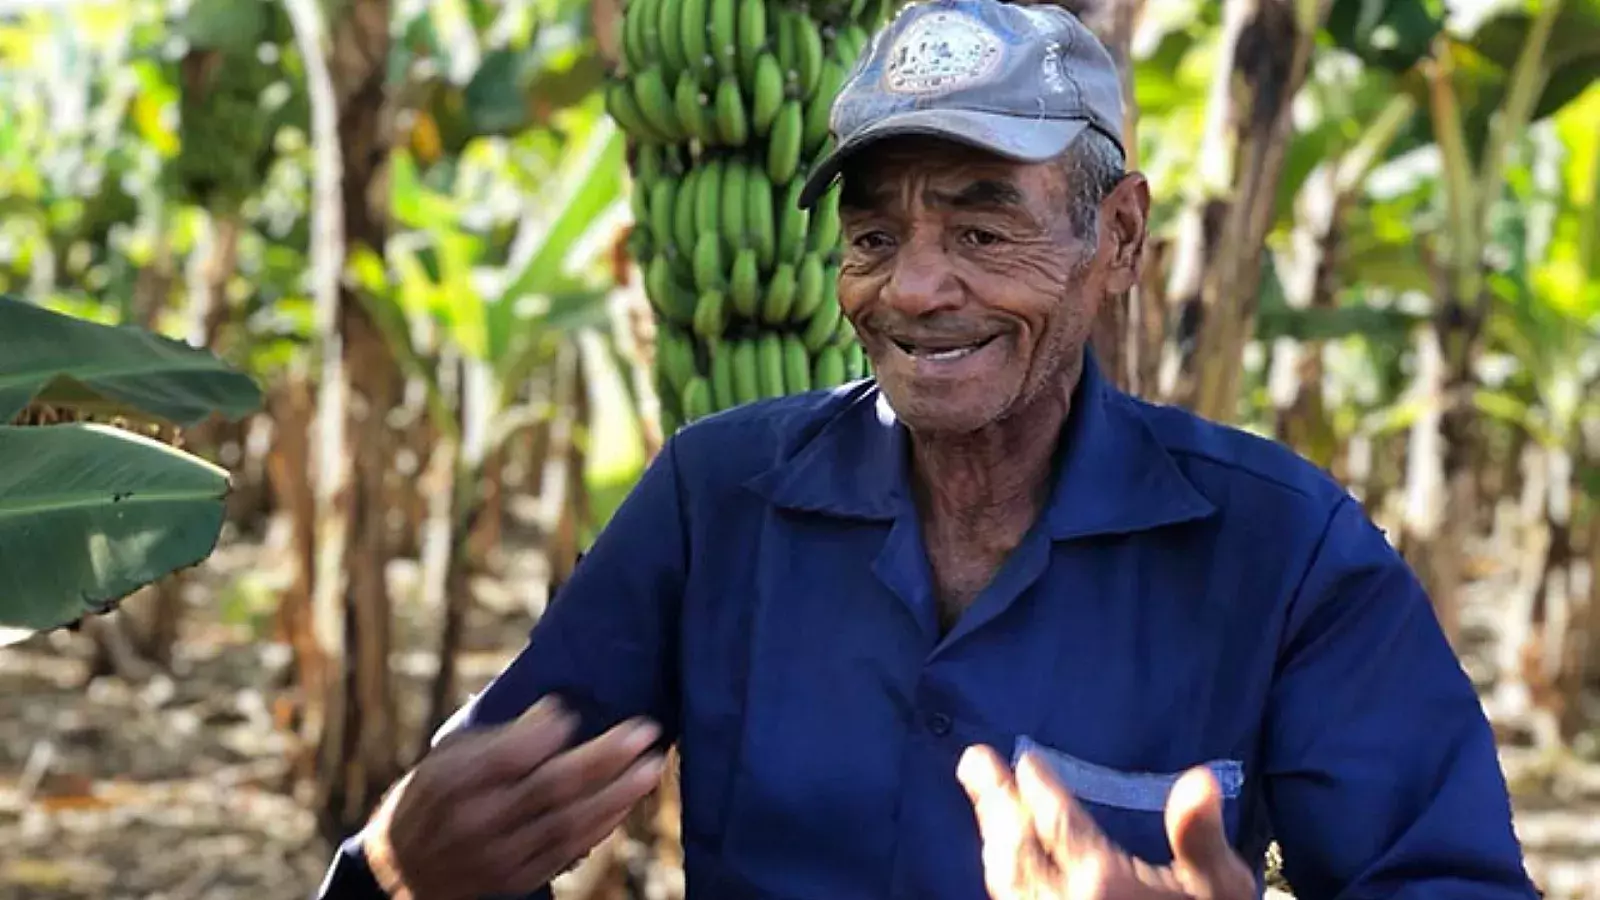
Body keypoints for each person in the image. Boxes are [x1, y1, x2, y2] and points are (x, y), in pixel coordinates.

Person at [316, 0, 1539, 897]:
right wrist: (389, 872)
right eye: (870, 235)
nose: (912, 287)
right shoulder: (717, 502)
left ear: (1116, 239)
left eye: (980, 228)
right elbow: (481, 812)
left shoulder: (1283, 552)